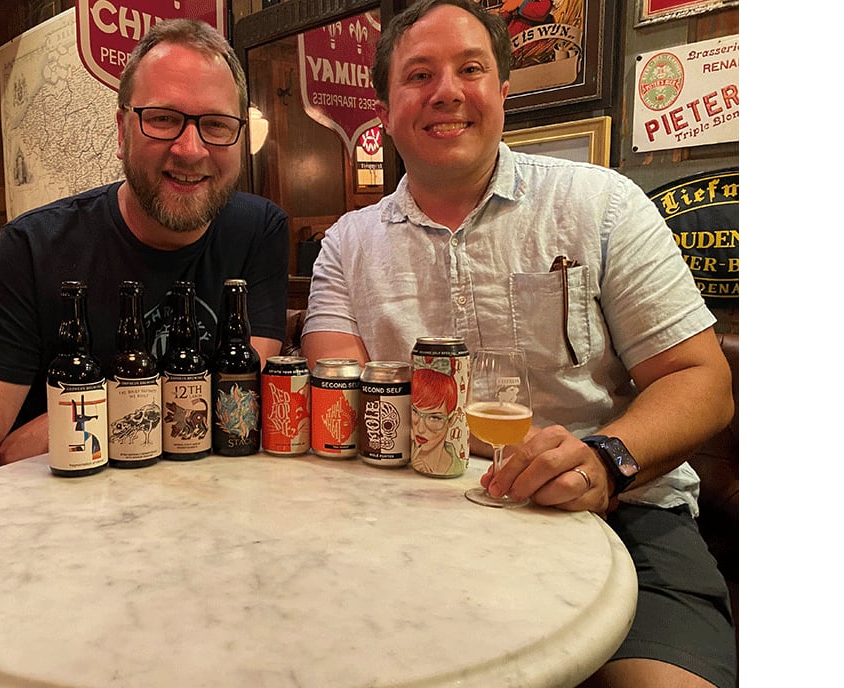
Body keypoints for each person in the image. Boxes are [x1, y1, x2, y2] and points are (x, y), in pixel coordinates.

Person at [300, 2, 736, 687]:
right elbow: (340, 395)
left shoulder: (603, 206)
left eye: (469, 68)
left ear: (503, 92)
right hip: (409, 521)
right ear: (386, 108)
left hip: (624, 518)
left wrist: (608, 459)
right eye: (418, 74)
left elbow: (700, 378)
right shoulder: (346, 246)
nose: (446, 91)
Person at [0, 18, 289, 550]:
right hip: (65, 533)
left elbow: (240, 385)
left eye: (217, 125)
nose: (190, 149)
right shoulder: (33, 247)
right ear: (121, 130)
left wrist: (59, 423)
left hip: (218, 519)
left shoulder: (260, 228)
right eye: (162, 119)